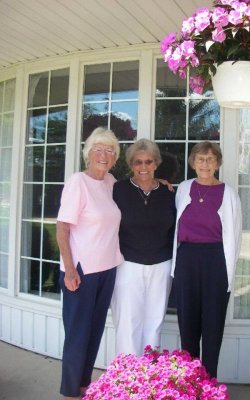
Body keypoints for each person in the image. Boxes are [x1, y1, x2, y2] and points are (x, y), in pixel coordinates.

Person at [56, 127, 124, 400]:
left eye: (110, 150)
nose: (104, 154)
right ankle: (70, 391)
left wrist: (163, 183)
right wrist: (69, 270)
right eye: (99, 148)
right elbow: (62, 228)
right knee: (77, 334)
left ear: (115, 157)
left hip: (107, 268)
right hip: (82, 271)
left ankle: (84, 385)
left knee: (94, 331)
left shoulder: (109, 182)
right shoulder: (78, 182)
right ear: (88, 153)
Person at [172, 141, 242, 378]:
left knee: (212, 325)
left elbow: (236, 235)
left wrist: (228, 271)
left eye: (210, 159)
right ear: (193, 162)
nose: (205, 164)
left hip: (216, 261)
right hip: (186, 259)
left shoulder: (228, 194)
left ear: (218, 163)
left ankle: (209, 382)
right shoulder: (183, 188)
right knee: (188, 323)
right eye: (200, 159)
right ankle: (190, 383)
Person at [110, 138, 176, 356]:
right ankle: (127, 376)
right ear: (131, 165)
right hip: (128, 263)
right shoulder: (118, 190)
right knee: (128, 321)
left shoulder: (169, 193)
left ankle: (149, 375)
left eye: (148, 162)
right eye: (138, 162)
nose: (143, 167)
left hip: (161, 263)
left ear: (156, 163)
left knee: (155, 320)